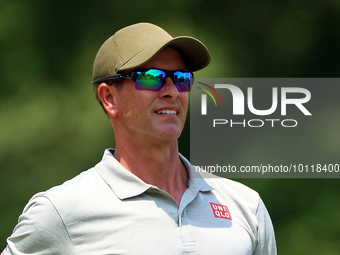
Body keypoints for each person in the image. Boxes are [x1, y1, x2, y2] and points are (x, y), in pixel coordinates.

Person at [2, 22, 277, 255]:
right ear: (109, 98)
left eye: (181, 78)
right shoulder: (62, 211)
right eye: (151, 77)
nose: (172, 91)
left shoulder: (244, 205)